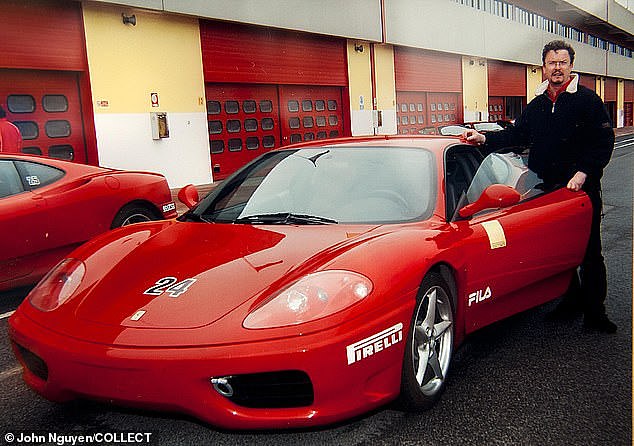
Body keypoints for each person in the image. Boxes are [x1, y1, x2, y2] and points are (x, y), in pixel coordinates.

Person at [463, 40, 616, 333]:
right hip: (547, 189)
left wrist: (584, 172)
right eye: (552, 63)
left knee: (589, 251)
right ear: (543, 67)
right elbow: (517, 134)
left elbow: (603, 142)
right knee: (557, 250)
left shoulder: (587, 100)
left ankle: (596, 313)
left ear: (571, 66)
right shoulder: (537, 104)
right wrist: (484, 139)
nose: (557, 68)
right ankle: (570, 302)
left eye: (562, 62)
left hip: (580, 190)